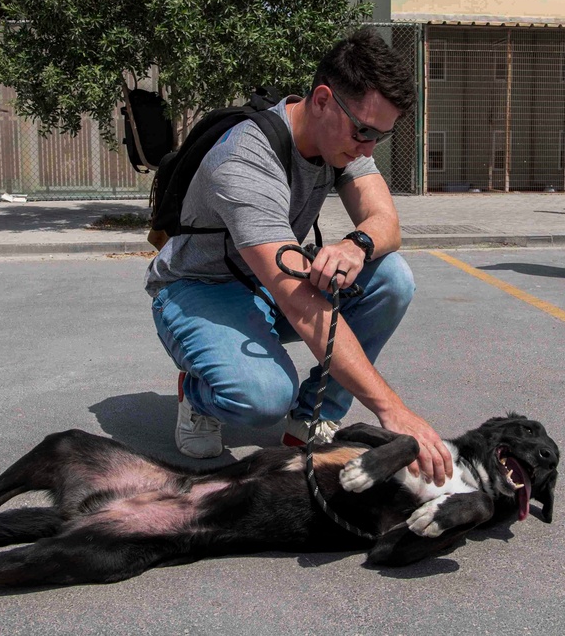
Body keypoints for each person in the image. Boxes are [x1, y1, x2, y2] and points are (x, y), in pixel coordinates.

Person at [145, 28, 453, 485]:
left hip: (264, 283)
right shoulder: (246, 159)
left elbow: (386, 223)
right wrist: (393, 411)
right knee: (262, 397)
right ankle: (197, 393)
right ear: (324, 100)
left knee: (392, 277)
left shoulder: (343, 142)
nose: (368, 149)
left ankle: (309, 418)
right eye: (364, 131)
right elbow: (301, 305)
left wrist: (356, 245)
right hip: (201, 286)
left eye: (380, 138)